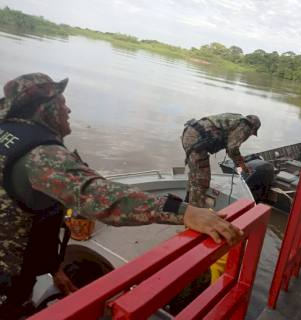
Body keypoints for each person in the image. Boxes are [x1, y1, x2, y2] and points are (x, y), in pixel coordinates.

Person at [0, 73, 243, 319]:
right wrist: (185, 212)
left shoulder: (9, 136)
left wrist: (53, 268)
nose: (69, 109)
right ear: (45, 109)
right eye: (62, 104)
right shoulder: (40, 155)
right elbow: (102, 198)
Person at [182, 113, 261, 207]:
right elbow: (232, 148)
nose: (250, 134)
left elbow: (230, 143)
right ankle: (195, 211)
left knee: (195, 175)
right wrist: (243, 166)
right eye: (252, 133)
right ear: (253, 128)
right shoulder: (246, 127)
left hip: (190, 134)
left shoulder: (237, 119)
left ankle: (187, 203)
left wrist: (239, 158)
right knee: (202, 180)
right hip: (196, 141)